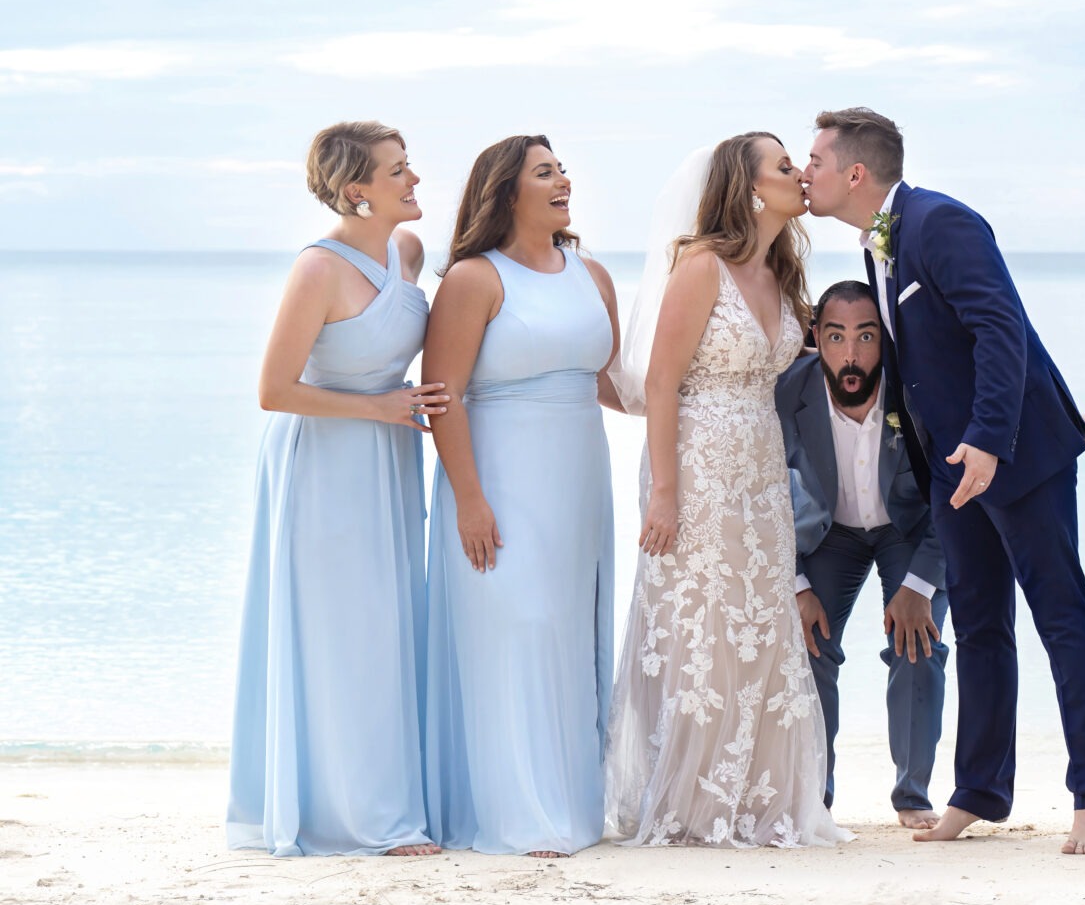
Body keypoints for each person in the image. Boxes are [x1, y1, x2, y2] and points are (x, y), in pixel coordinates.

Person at [801, 107, 1085, 851]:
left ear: (855, 172)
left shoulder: (940, 222)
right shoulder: (881, 243)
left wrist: (986, 442)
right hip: (949, 466)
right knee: (977, 622)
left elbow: (999, 327)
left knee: (1060, 615)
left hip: (1015, 451)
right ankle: (978, 791)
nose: (803, 171)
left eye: (814, 160)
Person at [605, 133, 850, 848]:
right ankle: (692, 799)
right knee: (703, 624)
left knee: (757, 620)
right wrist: (665, 494)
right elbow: (658, 382)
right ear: (748, 189)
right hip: (699, 461)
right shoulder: (701, 265)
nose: (800, 174)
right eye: (783, 166)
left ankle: (758, 796)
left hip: (761, 469)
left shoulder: (779, 271)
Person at [227, 120, 448, 857]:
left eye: (409, 166)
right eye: (398, 171)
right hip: (322, 461)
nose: (414, 179)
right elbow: (272, 390)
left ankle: (385, 800)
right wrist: (379, 407)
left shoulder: (406, 251)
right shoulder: (317, 270)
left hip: (386, 463)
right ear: (357, 191)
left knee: (386, 628)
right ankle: (359, 819)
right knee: (340, 633)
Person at [420, 135, 622, 858]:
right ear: (507, 193)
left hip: (579, 476)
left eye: (562, 168)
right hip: (499, 482)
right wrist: (468, 500)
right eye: (545, 172)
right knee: (520, 626)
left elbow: (606, 380)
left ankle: (572, 806)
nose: (564, 179)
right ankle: (521, 815)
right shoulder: (475, 279)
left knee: (570, 633)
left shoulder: (591, 274)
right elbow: (443, 399)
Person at [775, 280, 949, 830]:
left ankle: (912, 795)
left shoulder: (919, 388)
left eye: (866, 336)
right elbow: (762, 494)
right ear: (816, 340)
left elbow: (956, 493)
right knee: (810, 647)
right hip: (830, 536)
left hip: (911, 529)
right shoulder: (788, 392)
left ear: (885, 340)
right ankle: (816, 798)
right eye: (836, 337)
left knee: (917, 644)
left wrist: (920, 584)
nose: (851, 355)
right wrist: (796, 585)